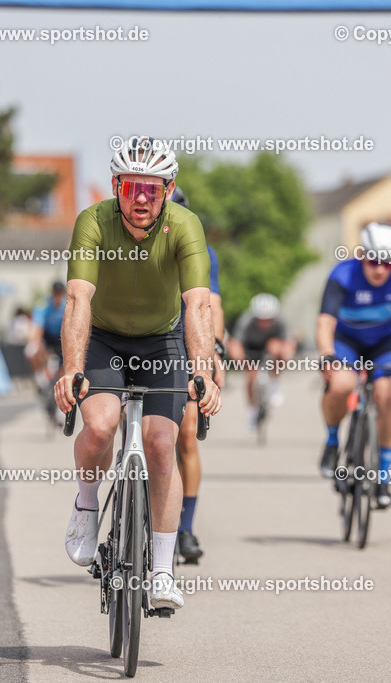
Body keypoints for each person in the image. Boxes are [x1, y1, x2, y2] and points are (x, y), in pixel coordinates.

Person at [54, 136, 222, 611]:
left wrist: (203, 372)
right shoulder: (93, 221)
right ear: (116, 187)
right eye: (132, 188)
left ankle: (163, 571)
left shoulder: (185, 225)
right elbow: (78, 298)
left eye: (152, 188)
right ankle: (87, 503)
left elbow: (197, 305)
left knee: (162, 444)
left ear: (168, 189)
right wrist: (72, 370)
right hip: (104, 339)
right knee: (100, 426)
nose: (141, 199)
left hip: (161, 341)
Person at [316, 222, 391, 508]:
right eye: (374, 261)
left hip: (386, 343)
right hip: (347, 341)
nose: (380, 269)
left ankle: (383, 476)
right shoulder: (342, 273)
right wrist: (327, 354)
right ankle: (332, 441)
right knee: (341, 385)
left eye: (388, 263)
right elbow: (325, 322)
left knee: (389, 397)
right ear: (362, 255)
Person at [169, 187, 226, 563]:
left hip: (185, 338)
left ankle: (185, 527)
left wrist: (215, 348)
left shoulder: (203, 252)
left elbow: (211, 305)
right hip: (140, 338)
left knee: (187, 435)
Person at [228, 294, 296, 433]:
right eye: (261, 319)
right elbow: (235, 343)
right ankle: (252, 411)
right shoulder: (246, 320)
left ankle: (274, 383)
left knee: (276, 347)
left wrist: (284, 356)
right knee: (251, 377)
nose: (264, 323)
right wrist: (239, 358)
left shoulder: (281, 321)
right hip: (251, 349)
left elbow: (289, 343)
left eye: (268, 320)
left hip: (270, 349)